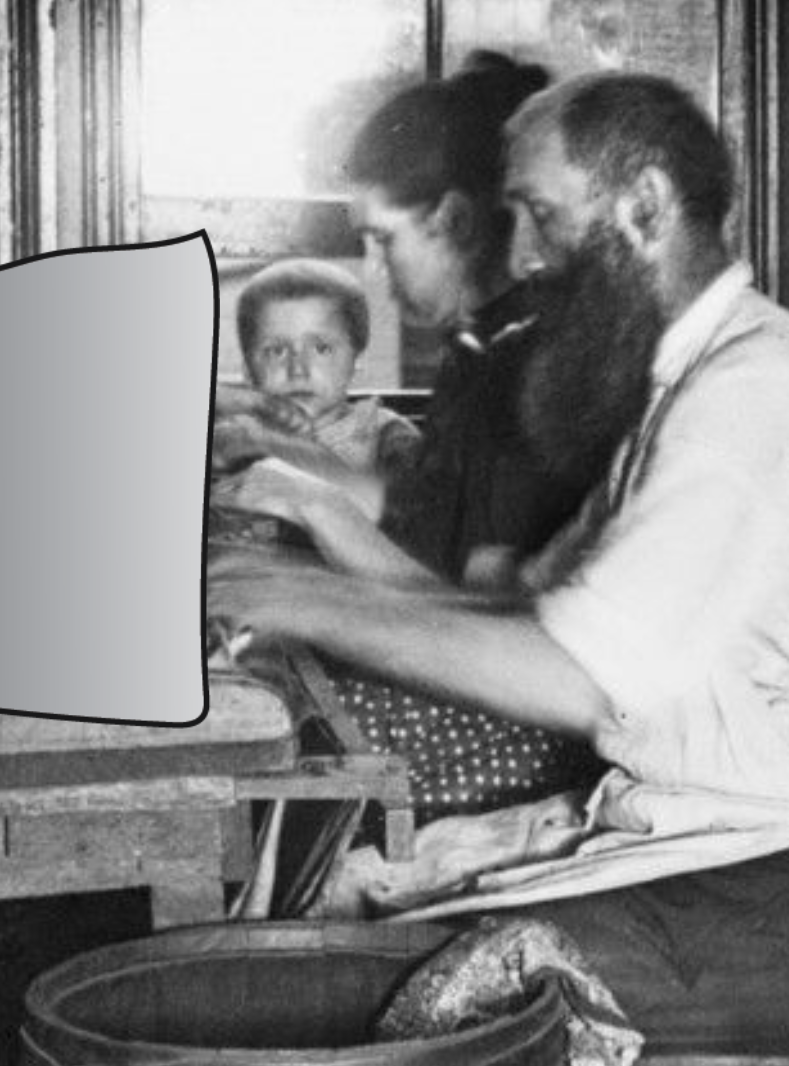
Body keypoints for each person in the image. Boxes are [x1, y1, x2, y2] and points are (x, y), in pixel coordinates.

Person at [206, 70, 789, 1039]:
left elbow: (579, 675)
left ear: (645, 205)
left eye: (543, 215)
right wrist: (298, 583)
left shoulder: (756, 391)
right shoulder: (694, 378)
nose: (527, 257)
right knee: (312, 925)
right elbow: (527, 606)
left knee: (337, 1000)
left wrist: (310, 602)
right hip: (709, 845)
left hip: (770, 885)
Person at [229, 52, 608, 820]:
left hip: (521, 728)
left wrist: (314, 513)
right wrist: (276, 455)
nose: (374, 270)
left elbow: (480, 618)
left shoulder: (537, 370)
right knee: (257, 689)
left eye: (383, 239)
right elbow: (428, 521)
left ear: (452, 221)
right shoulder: (479, 348)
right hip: (473, 689)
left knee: (259, 744)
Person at [216, 258, 421, 486]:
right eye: (276, 351)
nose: (298, 370)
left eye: (321, 349)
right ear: (247, 368)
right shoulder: (232, 439)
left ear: (356, 358)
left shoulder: (389, 438)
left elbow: (403, 506)